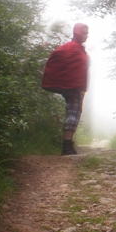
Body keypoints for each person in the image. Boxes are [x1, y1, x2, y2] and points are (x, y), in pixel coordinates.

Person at [41, 23, 89, 155]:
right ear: (78, 33)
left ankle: (67, 145)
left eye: (87, 33)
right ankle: (67, 146)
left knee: (72, 113)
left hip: (73, 86)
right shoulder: (72, 49)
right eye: (84, 33)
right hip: (74, 88)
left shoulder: (74, 48)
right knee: (73, 113)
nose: (86, 36)